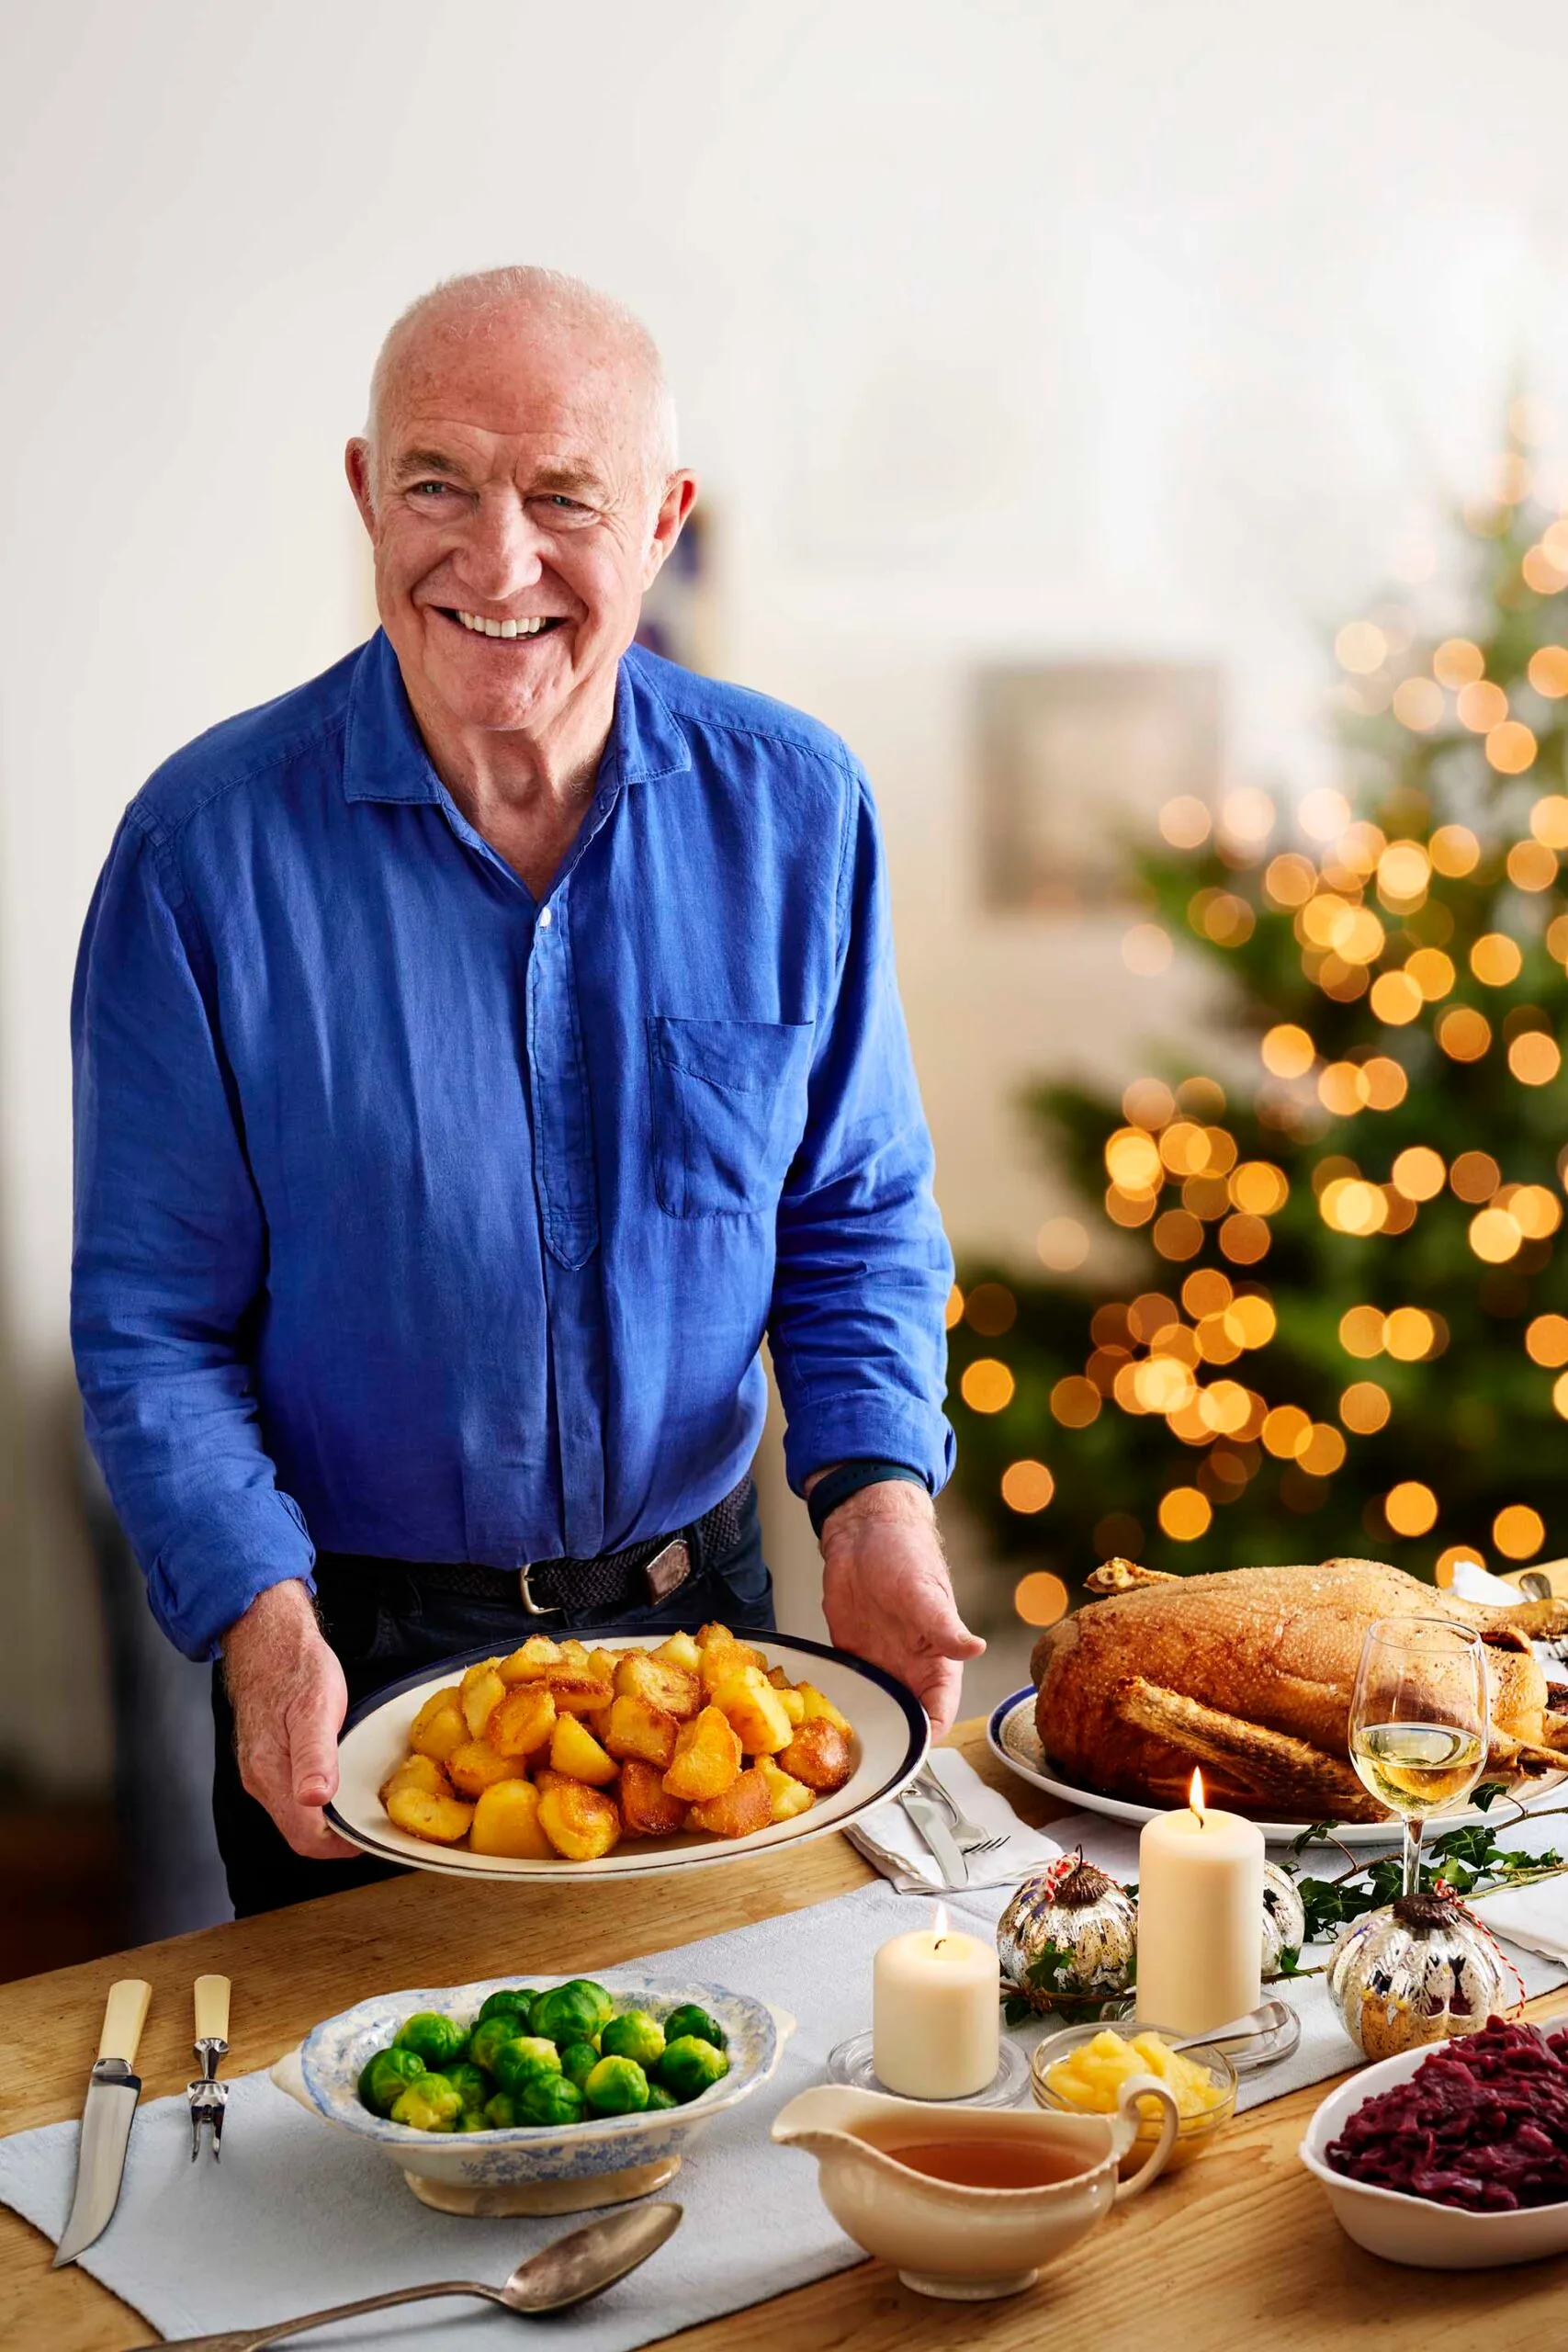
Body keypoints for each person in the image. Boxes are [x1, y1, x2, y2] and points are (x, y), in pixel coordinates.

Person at [72, 266, 979, 1917]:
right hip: (356, 1657)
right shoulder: (198, 857)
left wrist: (871, 1504)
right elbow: (153, 1324)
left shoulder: (797, 811)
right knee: (378, 2146)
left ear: (662, 519)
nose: (498, 563)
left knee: (737, 2129)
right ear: (365, 490)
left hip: (711, 1643)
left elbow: (849, 1217)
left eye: (564, 497)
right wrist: (261, 1624)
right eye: (438, 485)